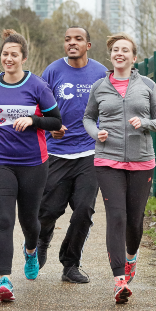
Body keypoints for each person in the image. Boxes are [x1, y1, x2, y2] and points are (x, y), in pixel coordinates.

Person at [0, 29, 62, 302]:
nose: (9, 59)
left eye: (14, 55)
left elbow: (55, 120)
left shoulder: (37, 86)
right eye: (5, 54)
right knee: (4, 219)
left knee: (29, 220)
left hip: (33, 163)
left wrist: (34, 121)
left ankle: (30, 251)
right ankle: (4, 279)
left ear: (24, 58)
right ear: (1, 57)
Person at [83, 33, 156, 304]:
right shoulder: (100, 86)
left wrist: (145, 123)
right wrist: (96, 134)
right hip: (107, 160)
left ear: (133, 57)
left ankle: (131, 257)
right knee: (116, 217)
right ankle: (119, 280)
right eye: (115, 50)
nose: (120, 54)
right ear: (111, 56)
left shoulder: (147, 85)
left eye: (125, 50)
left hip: (142, 160)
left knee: (134, 220)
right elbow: (88, 117)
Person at [36, 26, 107, 283]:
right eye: (67, 40)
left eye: (78, 39)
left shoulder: (100, 73)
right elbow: (39, 108)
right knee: (46, 211)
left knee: (84, 211)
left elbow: (108, 109)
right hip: (56, 153)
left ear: (88, 45)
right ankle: (42, 239)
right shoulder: (53, 71)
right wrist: (50, 127)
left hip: (89, 153)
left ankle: (70, 263)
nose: (72, 43)